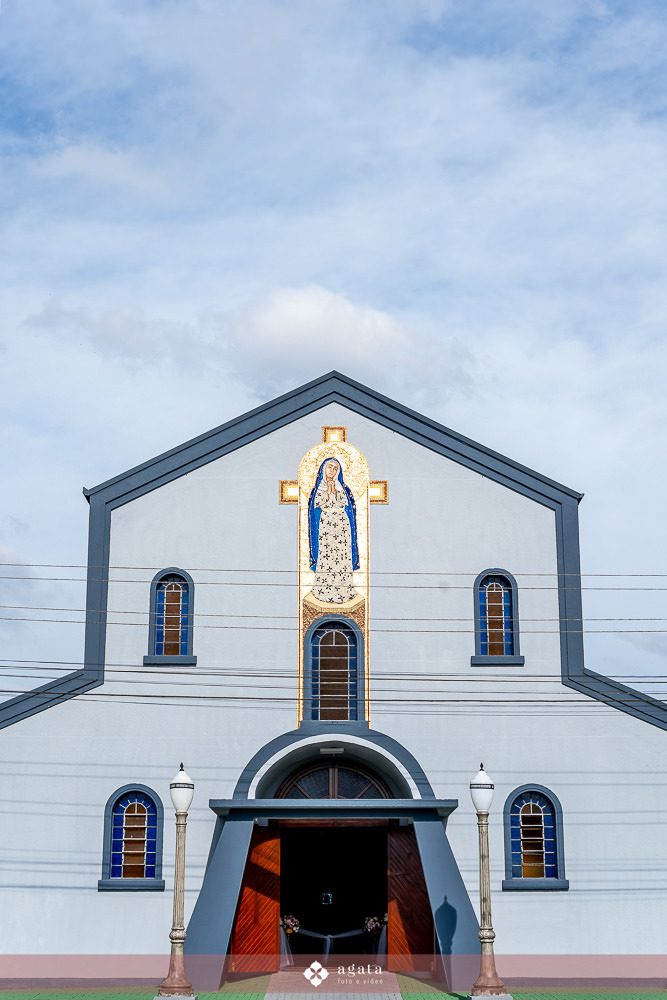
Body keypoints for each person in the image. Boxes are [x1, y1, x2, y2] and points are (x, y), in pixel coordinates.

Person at [308, 459, 358, 604]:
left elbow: (346, 504)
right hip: (326, 525)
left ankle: (344, 591)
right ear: (324, 469)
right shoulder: (318, 488)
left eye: (335, 468)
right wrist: (328, 492)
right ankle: (324, 591)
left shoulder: (343, 488)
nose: (332, 470)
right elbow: (317, 505)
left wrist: (335, 491)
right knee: (327, 555)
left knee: (341, 555)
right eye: (329, 467)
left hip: (342, 525)